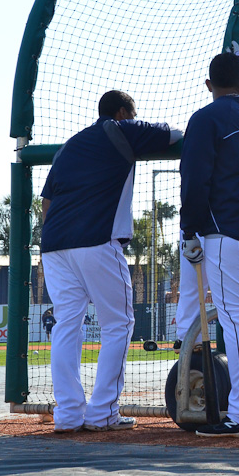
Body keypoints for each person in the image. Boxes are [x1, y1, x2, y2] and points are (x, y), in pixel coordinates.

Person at [40, 90, 182, 433]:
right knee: (118, 324)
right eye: (132, 114)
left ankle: (69, 415)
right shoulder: (121, 129)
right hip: (97, 240)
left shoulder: (69, 145)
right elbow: (176, 134)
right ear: (122, 113)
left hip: (54, 245)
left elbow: (46, 202)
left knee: (66, 327)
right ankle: (102, 412)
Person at [180, 42, 239, 438]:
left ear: (208, 84)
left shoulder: (204, 117)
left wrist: (189, 230)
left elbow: (195, 179)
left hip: (226, 229)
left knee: (237, 321)